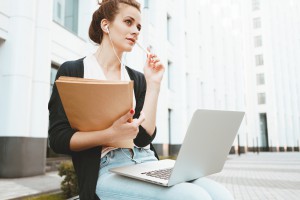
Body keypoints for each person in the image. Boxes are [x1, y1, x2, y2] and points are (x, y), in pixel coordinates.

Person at [48, 0, 234, 199]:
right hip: (107, 168)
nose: (136, 31)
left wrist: (154, 85)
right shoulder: (74, 71)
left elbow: (143, 138)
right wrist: (110, 134)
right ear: (105, 25)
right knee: (193, 196)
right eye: (128, 22)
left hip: (147, 161)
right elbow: (58, 139)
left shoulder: (136, 78)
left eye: (138, 26)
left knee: (221, 194)